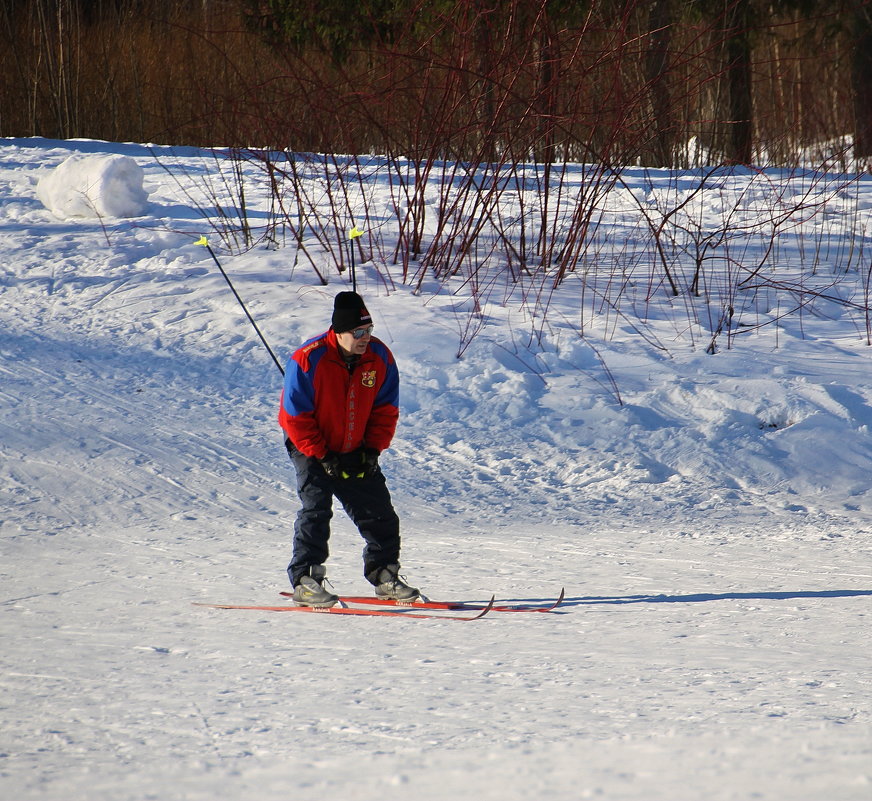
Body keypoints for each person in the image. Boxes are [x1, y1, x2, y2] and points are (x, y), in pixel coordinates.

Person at [278, 291, 419, 607]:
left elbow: (385, 409)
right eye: (358, 332)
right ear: (338, 332)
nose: (365, 338)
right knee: (316, 508)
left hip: (356, 446)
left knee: (378, 511)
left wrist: (372, 450)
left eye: (368, 331)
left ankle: (385, 574)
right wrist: (323, 455)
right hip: (311, 446)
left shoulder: (379, 357)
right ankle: (306, 580)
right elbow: (295, 417)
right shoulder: (307, 360)